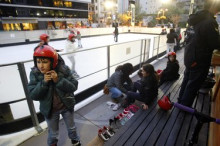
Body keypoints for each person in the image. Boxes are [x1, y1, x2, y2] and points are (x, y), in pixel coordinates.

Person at [28, 45, 81, 146]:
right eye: (38, 62)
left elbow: (74, 86)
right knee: (53, 133)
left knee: (72, 128)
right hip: (50, 110)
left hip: (66, 106)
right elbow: (33, 95)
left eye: (44, 62)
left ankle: (75, 141)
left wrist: (58, 80)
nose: (41, 66)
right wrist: (44, 83)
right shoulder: (35, 73)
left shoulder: (63, 70)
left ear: (53, 61)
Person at [178, 1, 220, 107]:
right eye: (217, 10)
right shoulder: (210, 22)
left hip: (189, 54)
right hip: (199, 58)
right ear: (213, 8)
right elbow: (215, 43)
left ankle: (181, 101)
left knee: (187, 79)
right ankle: (185, 106)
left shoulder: (195, 19)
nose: (217, 12)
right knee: (193, 83)